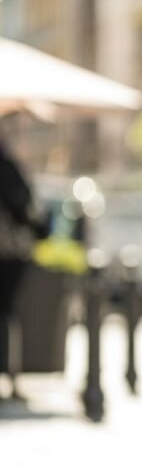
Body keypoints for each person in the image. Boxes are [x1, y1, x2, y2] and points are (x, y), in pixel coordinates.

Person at [0, 136, 49, 397]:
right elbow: (24, 206)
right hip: (9, 252)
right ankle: (10, 376)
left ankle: (10, 375)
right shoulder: (7, 166)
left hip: (9, 250)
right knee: (7, 315)